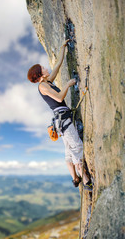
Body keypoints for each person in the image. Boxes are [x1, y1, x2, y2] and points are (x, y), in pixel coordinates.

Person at [27, 39, 92, 191]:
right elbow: (59, 98)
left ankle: (75, 178)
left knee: (69, 151)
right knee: (76, 147)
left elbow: (58, 65)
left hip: (61, 121)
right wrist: (68, 85)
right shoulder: (43, 86)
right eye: (42, 68)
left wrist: (63, 47)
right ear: (39, 74)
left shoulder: (47, 82)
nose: (45, 67)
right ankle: (86, 180)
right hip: (64, 120)